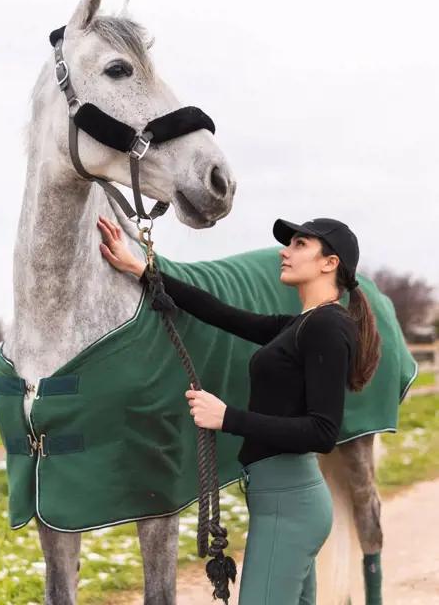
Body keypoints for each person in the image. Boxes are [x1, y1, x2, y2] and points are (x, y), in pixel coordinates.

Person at [97, 214, 381, 605]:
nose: (285, 251)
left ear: (329, 263)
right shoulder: (301, 324)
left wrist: (226, 417)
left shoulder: (327, 328)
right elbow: (220, 313)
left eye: (300, 245)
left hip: (290, 505)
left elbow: (322, 431)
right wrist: (141, 269)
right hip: (280, 500)